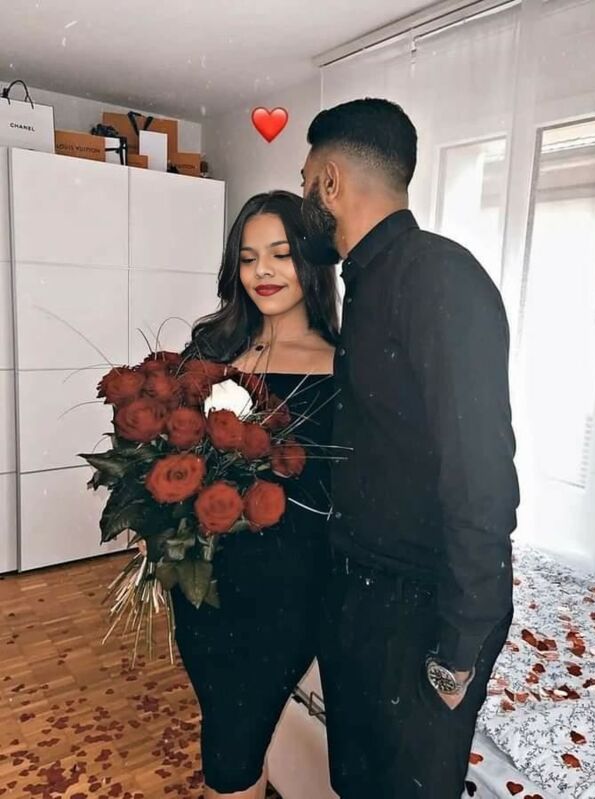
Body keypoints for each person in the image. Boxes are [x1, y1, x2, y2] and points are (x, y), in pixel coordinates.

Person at [301, 98, 520, 799]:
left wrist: (460, 648)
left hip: (418, 611)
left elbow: (481, 475)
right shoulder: (366, 283)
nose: (303, 194)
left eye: (305, 179)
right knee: (356, 781)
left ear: (330, 181)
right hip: (361, 598)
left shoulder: (436, 277)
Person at [172, 191, 338, 799]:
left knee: (231, 751)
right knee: (233, 734)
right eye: (247, 258)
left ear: (311, 261)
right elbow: (169, 458)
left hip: (286, 596)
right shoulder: (210, 351)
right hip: (202, 590)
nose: (261, 271)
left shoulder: (342, 367)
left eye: (280, 254)